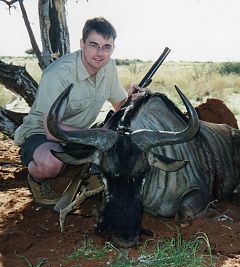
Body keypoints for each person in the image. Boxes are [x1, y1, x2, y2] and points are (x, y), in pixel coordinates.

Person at [14, 17, 146, 207]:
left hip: (79, 136)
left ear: (113, 49)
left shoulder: (108, 67)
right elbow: (52, 131)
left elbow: (120, 108)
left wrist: (133, 100)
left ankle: (91, 171)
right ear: (82, 44)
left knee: (124, 141)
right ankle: (37, 180)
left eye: (106, 47)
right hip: (43, 133)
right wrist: (99, 136)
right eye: (94, 45)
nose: (100, 53)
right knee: (50, 164)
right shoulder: (57, 74)